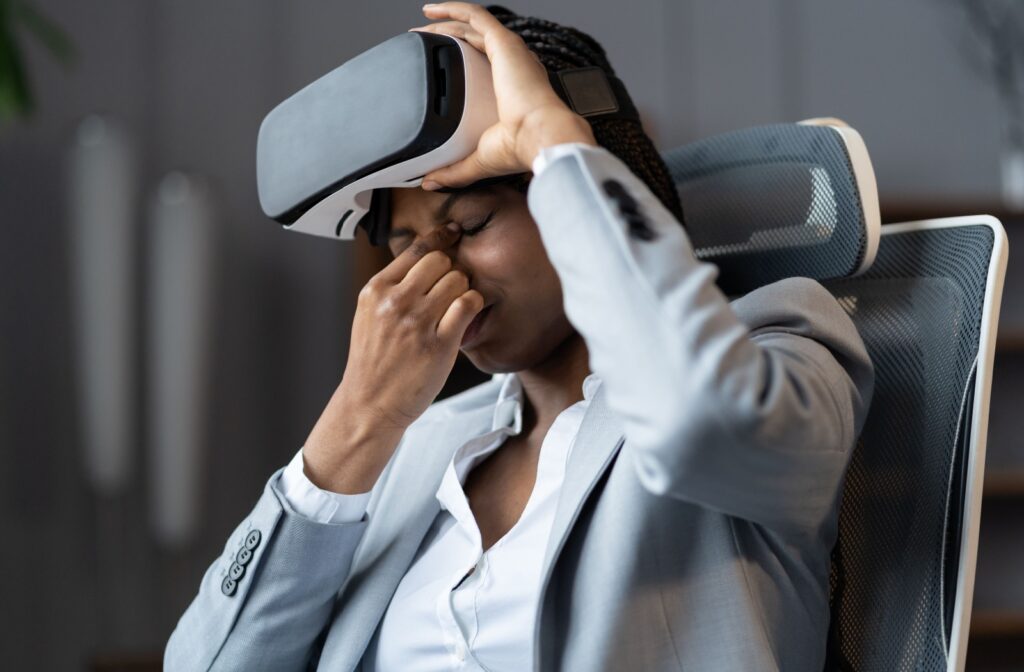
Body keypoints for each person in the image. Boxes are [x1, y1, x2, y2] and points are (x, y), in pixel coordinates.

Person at [164, 3, 875, 670]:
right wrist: (359, 418)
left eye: (471, 225)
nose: (432, 272)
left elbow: (697, 423)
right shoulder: (422, 447)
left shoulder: (787, 343)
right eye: (403, 246)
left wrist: (554, 143)